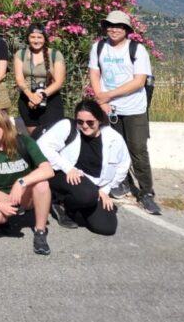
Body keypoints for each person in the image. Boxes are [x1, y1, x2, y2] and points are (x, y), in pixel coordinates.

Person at [89, 10, 160, 215]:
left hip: (134, 108)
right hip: (109, 108)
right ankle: (123, 182)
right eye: (110, 25)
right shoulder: (99, 47)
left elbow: (139, 81)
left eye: (119, 26)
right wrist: (101, 99)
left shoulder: (137, 50)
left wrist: (108, 95)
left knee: (137, 149)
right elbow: (94, 72)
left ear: (127, 30)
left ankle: (146, 192)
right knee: (115, 148)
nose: (114, 29)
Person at [37, 101, 131, 236]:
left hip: (94, 186)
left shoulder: (114, 138)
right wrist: (68, 167)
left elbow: (123, 165)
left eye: (90, 122)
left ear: (99, 120)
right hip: (63, 174)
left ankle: (80, 206)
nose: (85, 126)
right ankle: (60, 203)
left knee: (106, 227)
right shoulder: (68, 127)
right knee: (87, 195)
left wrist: (106, 190)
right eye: (80, 122)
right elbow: (42, 146)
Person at [0, 108, 54, 255]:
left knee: (42, 184)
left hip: (25, 193)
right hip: (2, 192)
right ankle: (7, 216)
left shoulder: (23, 141)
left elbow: (48, 170)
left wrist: (21, 182)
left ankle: (40, 232)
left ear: (3, 122)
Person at [13, 23, 66, 135]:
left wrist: (41, 96)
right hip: (27, 99)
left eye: (39, 37)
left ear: (44, 38)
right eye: (32, 37)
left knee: (51, 137)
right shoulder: (20, 54)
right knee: (36, 138)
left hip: (50, 98)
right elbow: (19, 79)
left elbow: (59, 82)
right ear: (28, 38)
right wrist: (31, 96)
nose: (36, 40)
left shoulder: (55, 54)